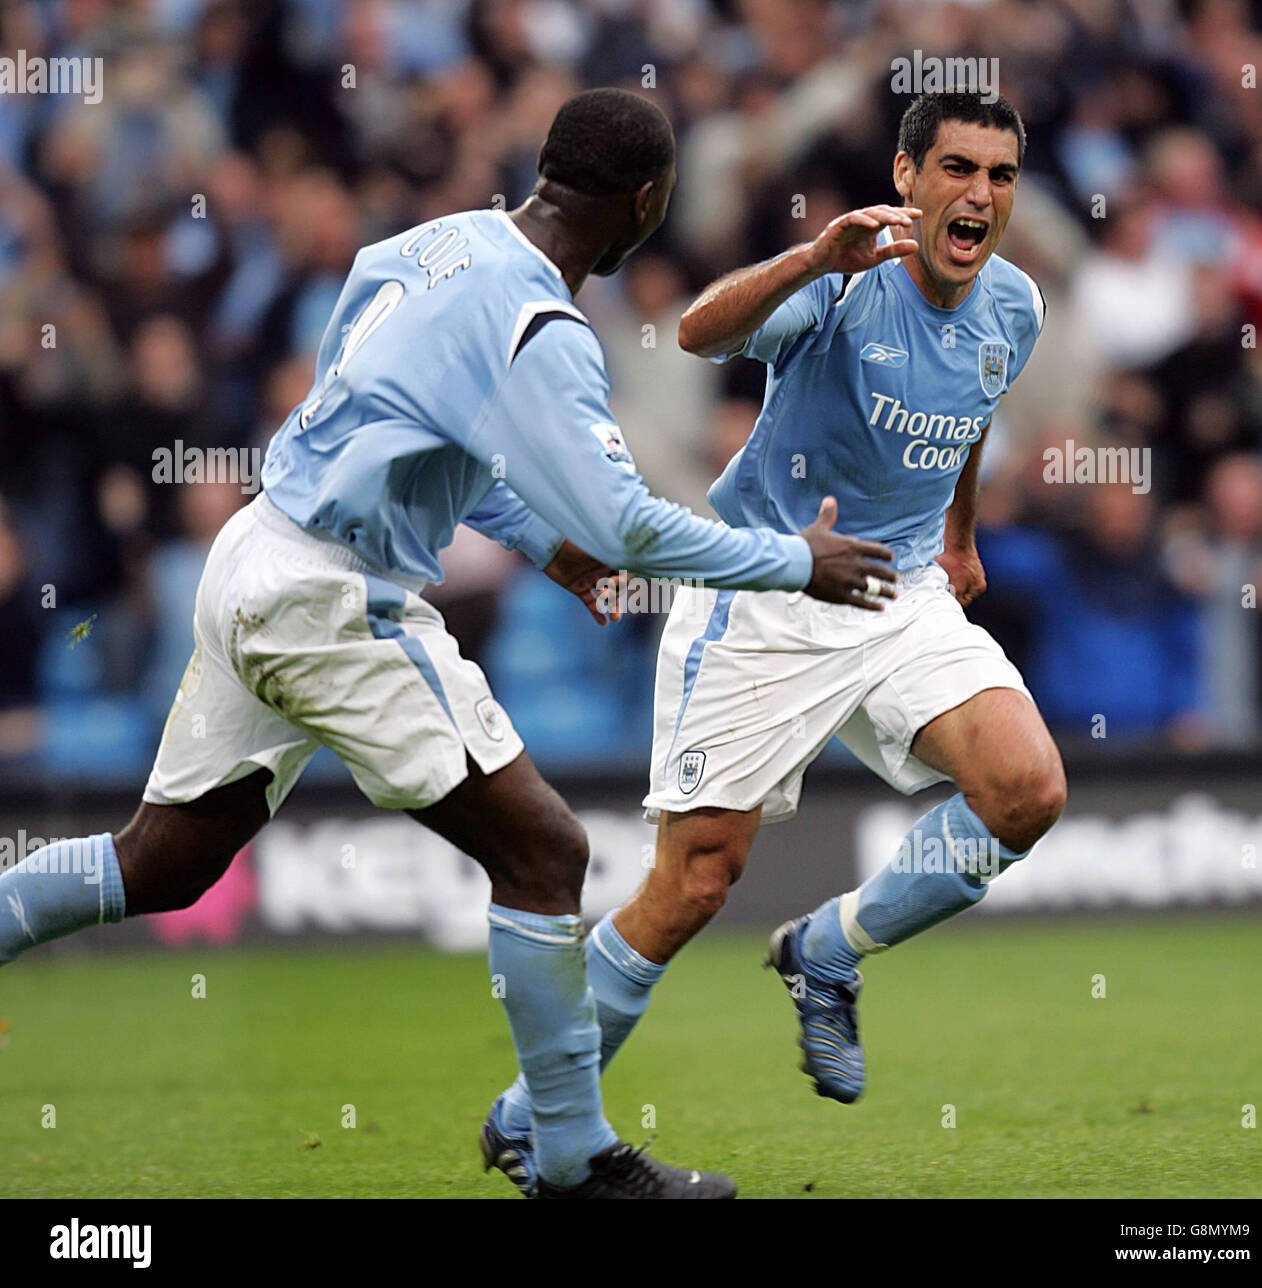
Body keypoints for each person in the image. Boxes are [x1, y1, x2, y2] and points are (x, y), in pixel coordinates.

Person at [0, 89, 893, 1201]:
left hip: (257, 551)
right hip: (334, 599)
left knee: (164, 861)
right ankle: (568, 1159)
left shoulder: (424, 244)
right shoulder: (543, 330)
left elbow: (399, 417)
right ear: (648, 202)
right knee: (545, 853)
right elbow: (627, 525)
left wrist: (536, 543)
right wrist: (794, 560)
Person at [488, 91, 1067, 1193]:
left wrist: (959, 531)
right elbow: (700, 330)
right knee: (696, 881)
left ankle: (828, 951)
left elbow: (976, 404)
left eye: (998, 175)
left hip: (895, 591)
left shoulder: (1015, 307)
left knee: (1026, 790)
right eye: (956, 168)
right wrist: (813, 256)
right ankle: (533, 1115)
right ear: (907, 176)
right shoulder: (846, 284)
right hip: (764, 582)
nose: (978, 195)